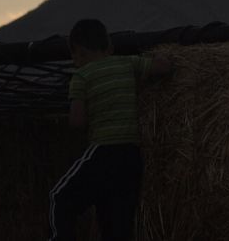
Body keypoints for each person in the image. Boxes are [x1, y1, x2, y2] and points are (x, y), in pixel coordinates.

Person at [47, 18, 173, 241]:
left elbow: (76, 121)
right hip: (131, 157)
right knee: (117, 223)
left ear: (80, 52)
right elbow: (164, 67)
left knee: (60, 199)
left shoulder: (81, 76)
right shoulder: (126, 63)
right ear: (109, 46)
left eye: (74, 56)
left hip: (103, 152)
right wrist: (162, 55)